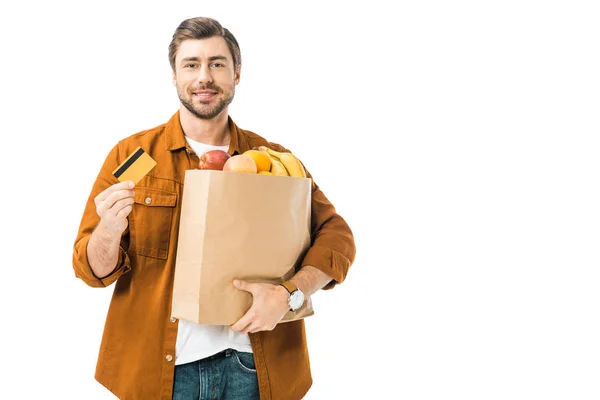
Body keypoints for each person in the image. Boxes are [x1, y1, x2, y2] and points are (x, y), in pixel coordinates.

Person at [72, 16, 356, 400]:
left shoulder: (272, 159)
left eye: (217, 64)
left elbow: (337, 236)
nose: (204, 76)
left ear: (237, 74)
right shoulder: (135, 156)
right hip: (161, 371)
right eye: (191, 64)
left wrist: (291, 293)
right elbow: (91, 271)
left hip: (256, 368)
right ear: (174, 75)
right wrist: (107, 229)